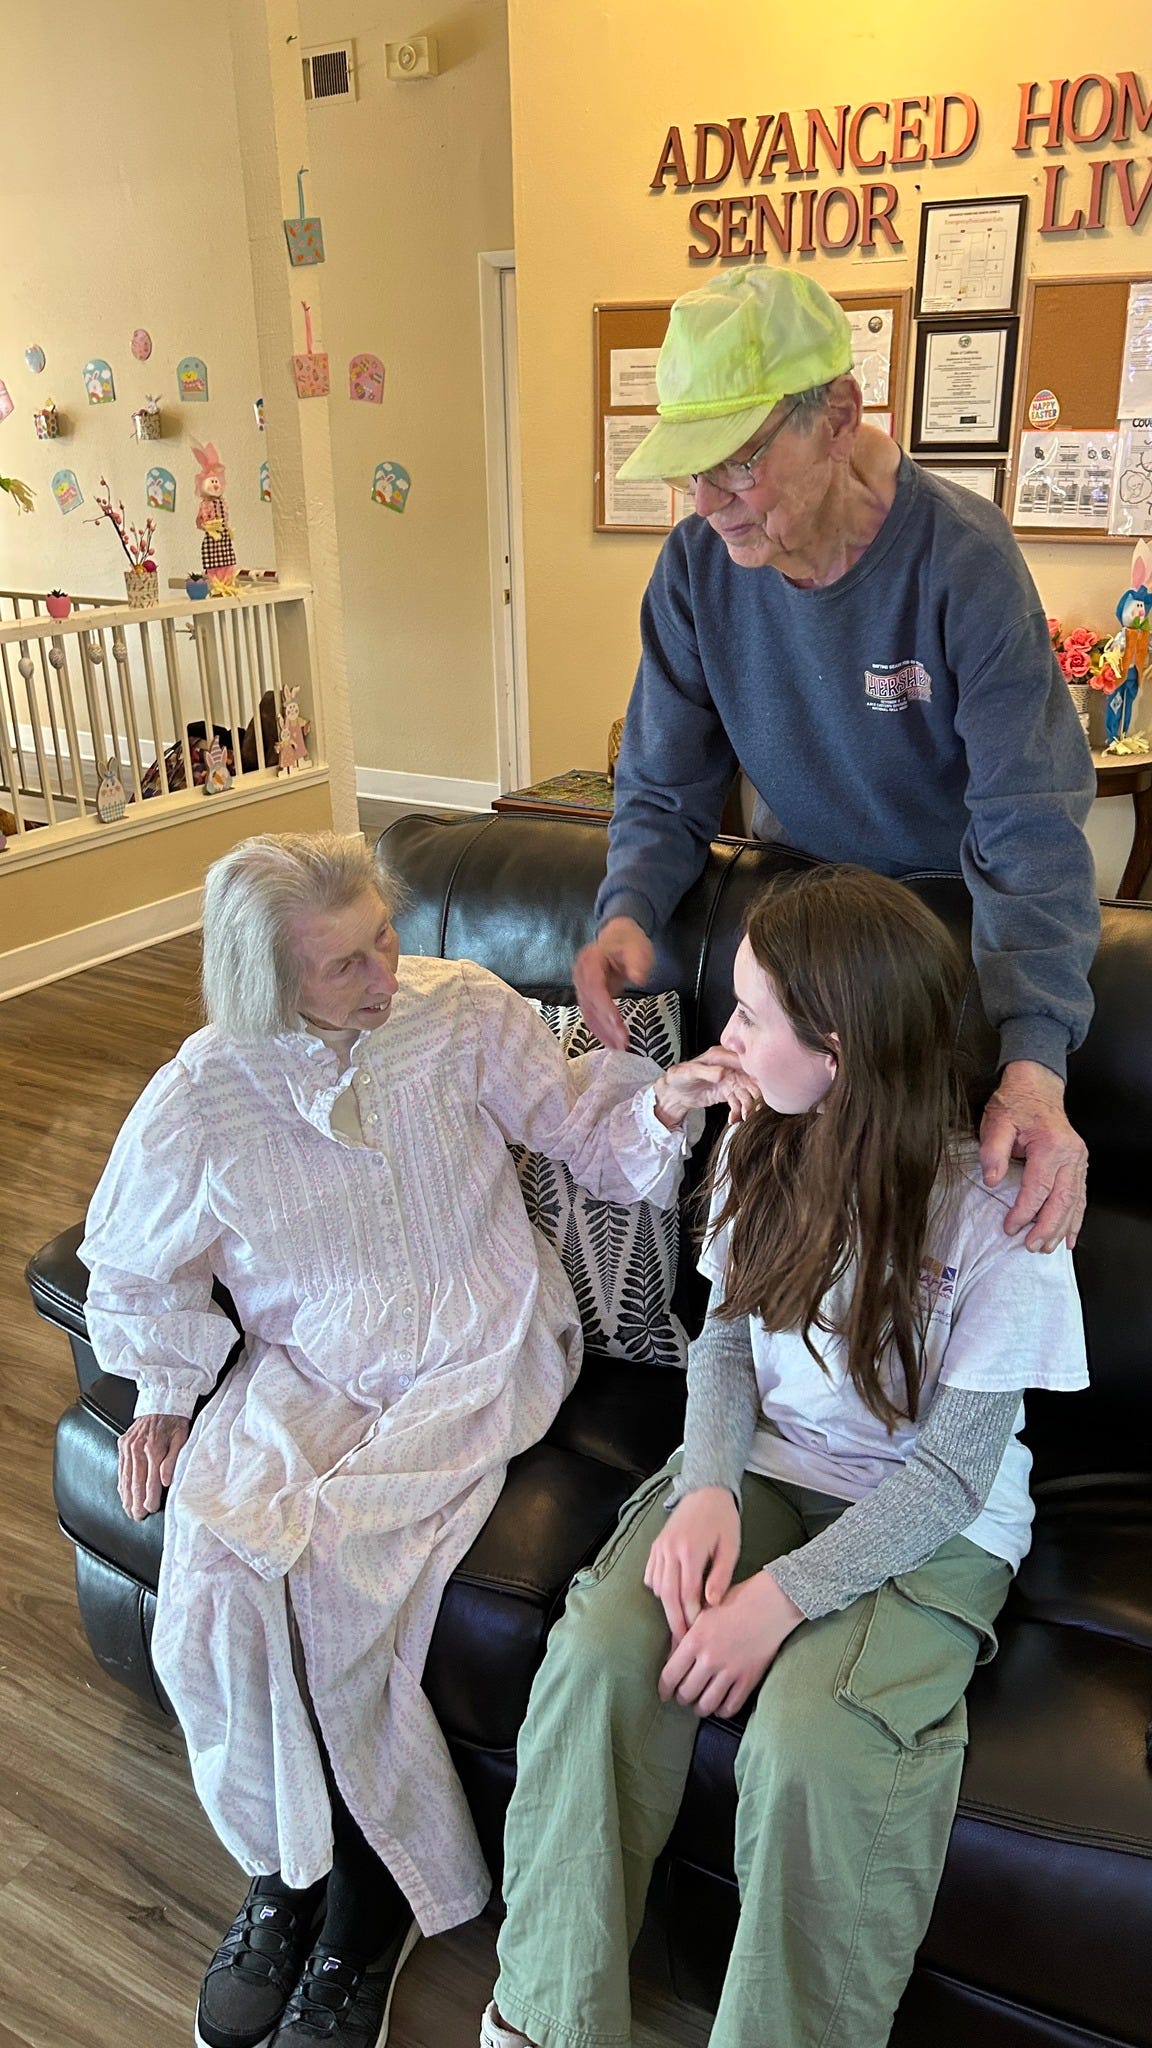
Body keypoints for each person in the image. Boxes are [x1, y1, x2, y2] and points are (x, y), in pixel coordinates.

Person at [79, 831, 742, 2048]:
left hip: (473, 1338)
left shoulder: (460, 1009)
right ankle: (289, 1867)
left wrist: (659, 1094)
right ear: (267, 981)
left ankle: (371, 1902)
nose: (386, 971)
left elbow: (578, 1124)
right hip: (309, 1364)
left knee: (338, 1568)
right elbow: (133, 1259)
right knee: (213, 1577)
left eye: (385, 934)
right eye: (344, 964)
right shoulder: (203, 1087)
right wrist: (167, 1390)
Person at [481, 865, 1088, 2048]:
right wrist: (706, 1479)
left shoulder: (998, 1211)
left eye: (751, 1014)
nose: (728, 1034)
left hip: (932, 1518)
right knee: (604, 1654)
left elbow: (954, 1473)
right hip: (760, 1464)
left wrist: (778, 1599)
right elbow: (720, 1339)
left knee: (817, 1746)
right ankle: (545, 2018)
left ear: (842, 1048)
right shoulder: (760, 1138)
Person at [574, 265, 1100, 1257]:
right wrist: (629, 907)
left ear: (837, 416)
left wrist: (1036, 1055)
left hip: (944, 936)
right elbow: (663, 778)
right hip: (807, 925)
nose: (710, 501)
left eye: (736, 463)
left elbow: (1029, 820)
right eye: (692, 470)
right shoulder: (696, 568)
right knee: (777, 1223)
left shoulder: (962, 561)